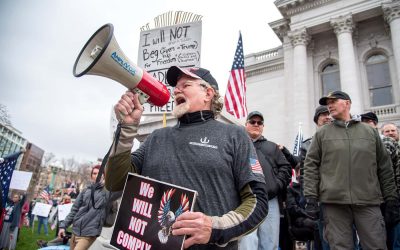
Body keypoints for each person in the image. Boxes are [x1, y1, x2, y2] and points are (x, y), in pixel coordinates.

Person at [105, 66, 269, 250]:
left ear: (208, 93)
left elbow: (257, 202)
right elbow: (114, 183)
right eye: (176, 86)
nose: (176, 90)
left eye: (186, 84)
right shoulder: (156, 138)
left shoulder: (235, 135)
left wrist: (215, 228)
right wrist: (127, 129)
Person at [304, 90, 399, 249]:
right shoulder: (322, 134)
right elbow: (311, 165)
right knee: (340, 247)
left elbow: (384, 167)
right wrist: (311, 197)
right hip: (334, 203)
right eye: (328, 103)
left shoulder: (369, 132)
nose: (330, 105)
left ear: (347, 103)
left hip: (368, 201)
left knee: (376, 246)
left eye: (333, 101)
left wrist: (391, 198)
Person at [239, 111, 291, 250]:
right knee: (246, 243)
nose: (256, 124)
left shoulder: (272, 147)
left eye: (259, 122)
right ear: (246, 124)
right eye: (252, 122)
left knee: (270, 242)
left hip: (270, 200)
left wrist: (276, 186)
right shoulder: (238, 144)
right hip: (244, 200)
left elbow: (286, 168)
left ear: (263, 126)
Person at [361, 112, 400, 250]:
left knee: (393, 239)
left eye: (368, 121)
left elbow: (385, 170)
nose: (365, 124)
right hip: (369, 199)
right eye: (363, 121)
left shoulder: (386, 141)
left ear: (375, 124)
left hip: (389, 197)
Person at [58, 165, 115, 250]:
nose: (97, 175)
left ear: (104, 175)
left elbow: (119, 190)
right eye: (94, 173)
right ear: (91, 176)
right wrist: (63, 226)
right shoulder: (85, 190)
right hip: (76, 230)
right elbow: (74, 210)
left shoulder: (107, 192)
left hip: (89, 234)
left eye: (100, 173)